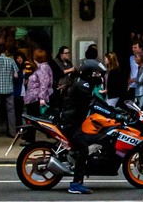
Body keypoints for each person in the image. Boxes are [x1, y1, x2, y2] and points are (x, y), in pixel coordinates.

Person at [61, 58, 105, 195]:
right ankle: (76, 184)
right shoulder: (82, 86)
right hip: (71, 123)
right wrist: (115, 115)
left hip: (74, 120)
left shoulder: (84, 83)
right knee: (83, 149)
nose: (99, 76)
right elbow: (94, 104)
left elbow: (96, 100)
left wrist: (114, 111)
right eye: (97, 74)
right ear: (89, 73)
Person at [22, 48, 53, 144]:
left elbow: (44, 83)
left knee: (33, 120)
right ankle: (28, 137)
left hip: (35, 98)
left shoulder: (43, 68)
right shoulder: (41, 67)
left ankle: (30, 139)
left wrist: (42, 98)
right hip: (33, 98)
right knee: (32, 119)